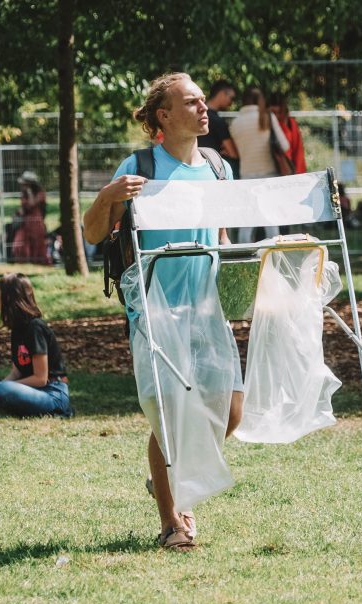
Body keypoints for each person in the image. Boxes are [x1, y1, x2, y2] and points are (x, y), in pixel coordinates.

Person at [83, 72, 244, 550]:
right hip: (155, 311)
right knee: (168, 417)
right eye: (190, 102)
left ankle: (173, 476)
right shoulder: (139, 166)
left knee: (231, 411)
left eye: (202, 101)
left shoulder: (218, 168)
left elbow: (221, 236)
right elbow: (94, 233)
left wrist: (242, 270)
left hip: (207, 307)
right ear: (164, 116)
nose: (202, 108)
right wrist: (107, 196)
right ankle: (173, 521)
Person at [0, 273, 71, 417]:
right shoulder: (17, 329)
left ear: (8, 298)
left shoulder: (35, 328)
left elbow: (40, 378)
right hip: (24, 390)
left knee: (3, 389)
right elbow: (16, 372)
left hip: (51, 392)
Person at [229, 86, 290, 242]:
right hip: (269, 175)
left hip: (246, 175)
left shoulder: (235, 123)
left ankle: (244, 257)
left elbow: (235, 152)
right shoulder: (267, 117)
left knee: (247, 221)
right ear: (260, 100)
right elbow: (284, 145)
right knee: (270, 220)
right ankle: (274, 256)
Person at [196, 79, 240, 178]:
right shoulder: (217, 121)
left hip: (198, 166)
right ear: (221, 93)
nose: (232, 103)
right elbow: (233, 153)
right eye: (231, 98)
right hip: (216, 170)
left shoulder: (196, 117)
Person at [11, 171, 51, 265]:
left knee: (37, 244)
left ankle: (38, 263)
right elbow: (23, 207)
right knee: (20, 243)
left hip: (36, 223)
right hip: (25, 223)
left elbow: (32, 203)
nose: (22, 185)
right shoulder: (23, 194)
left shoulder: (40, 193)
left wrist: (29, 192)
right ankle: (24, 262)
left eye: (24, 183)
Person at [268, 92, 307, 174]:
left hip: (289, 169)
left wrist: (299, 175)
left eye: (278, 113)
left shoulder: (291, 123)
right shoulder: (266, 124)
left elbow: (298, 152)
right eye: (273, 113)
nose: (275, 116)